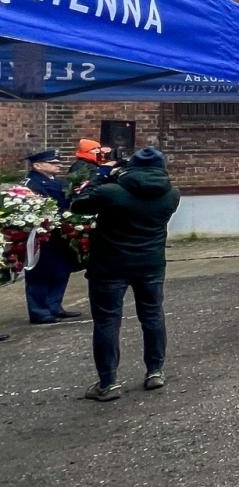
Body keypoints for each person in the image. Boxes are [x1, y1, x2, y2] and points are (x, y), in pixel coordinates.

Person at [70, 147, 181, 401]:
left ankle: (108, 383)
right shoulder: (172, 194)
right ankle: (155, 370)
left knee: (108, 321)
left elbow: (78, 204)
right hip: (150, 264)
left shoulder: (112, 192)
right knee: (152, 315)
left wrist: (104, 175)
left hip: (110, 265)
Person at [22, 148, 82, 326]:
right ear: (38, 165)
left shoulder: (59, 182)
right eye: (53, 163)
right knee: (40, 273)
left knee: (61, 270)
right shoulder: (31, 184)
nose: (58, 165)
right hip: (42, 236)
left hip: (61, 234)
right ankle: (39, 311)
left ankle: (54, 305)